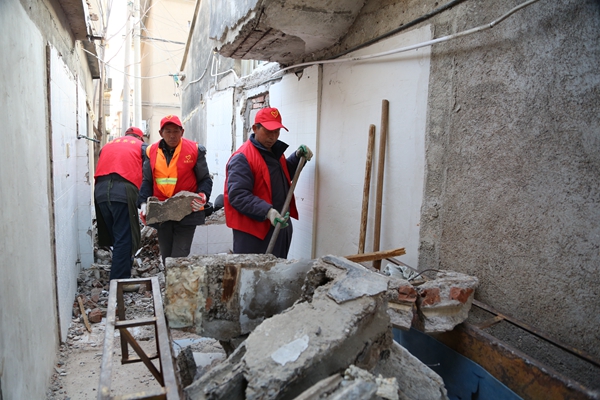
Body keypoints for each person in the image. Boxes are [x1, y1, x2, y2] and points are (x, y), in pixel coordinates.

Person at [223, 107, 313, 258]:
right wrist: (268, 212)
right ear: (255, 128)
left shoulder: (274, 152)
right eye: (268, 131)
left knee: (277, 269)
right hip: (254, 233)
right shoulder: (243, 158)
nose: (273, 137)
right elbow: (238, 196)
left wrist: (297, 158)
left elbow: (281, 177)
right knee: (253, 271)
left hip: (278, 226)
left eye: (277, 132)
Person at [138, 115, 213, 264]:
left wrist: (203, 195)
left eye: (176, 131)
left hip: (187, 211)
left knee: (179, 257)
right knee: (167, 257)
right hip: (162, 211)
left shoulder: (194, 150)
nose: (172, 135)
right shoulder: (150, 151)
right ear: (161, 133)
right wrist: (143, 204)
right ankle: (169, 278)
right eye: (168, 131)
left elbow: (205, 179)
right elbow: (147, 181)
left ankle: (176, 278)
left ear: (182, 132)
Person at [94, 126, 147, 280]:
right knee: (125, 238)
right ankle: (119, 281)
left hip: (100, 191)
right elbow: (149, 173)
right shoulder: (142, 146)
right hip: (123, 190)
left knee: (115, 237)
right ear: (140, 138)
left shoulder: (108, 145)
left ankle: (122, 267)